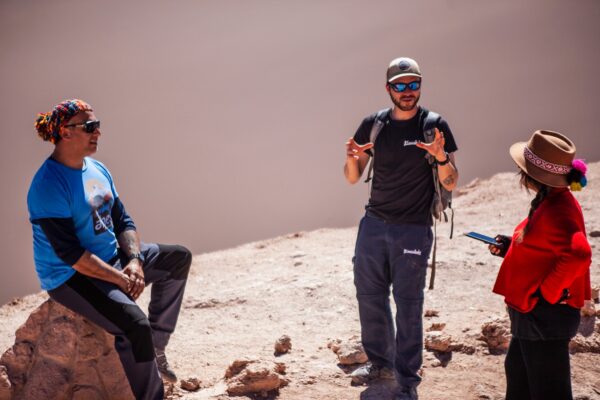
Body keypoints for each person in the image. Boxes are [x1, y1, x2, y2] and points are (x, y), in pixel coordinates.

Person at [28, 99, 192, 400]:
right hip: (71, 276)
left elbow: (122, 220)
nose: (98, 133)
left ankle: (155, 349)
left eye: (97, 125)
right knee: (134, 327)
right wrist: (119, 279)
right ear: (65, 133)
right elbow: (70, 254)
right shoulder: (48, 185)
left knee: (177, 258)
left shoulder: (96, 168)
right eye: (89, 127)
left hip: (113, 259)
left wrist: (134, 262)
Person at [343, 57, 459, 400]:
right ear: (389, 88)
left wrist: (439, 156)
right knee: (369, 296)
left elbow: (452, 179)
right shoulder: (374, 124)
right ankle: (380, 362)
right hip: (373, 225)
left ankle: (407, 381)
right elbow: (352, 177)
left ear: (420, 84)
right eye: (400, 85)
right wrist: (352, 156)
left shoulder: (433, 125)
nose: (408, 92)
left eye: (413, 84)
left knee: (408, 303)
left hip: (412, 228)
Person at [489, 130, 592, 400]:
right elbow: (545, 248)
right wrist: (511, 247)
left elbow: (580, 253)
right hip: (532, 313)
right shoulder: (551, 200)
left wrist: (549, 292)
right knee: (519, 375)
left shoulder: (559, 208)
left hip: (543, 315)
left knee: (549, 391)